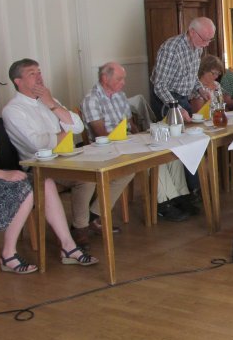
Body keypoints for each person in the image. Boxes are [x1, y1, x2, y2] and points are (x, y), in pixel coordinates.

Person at [0, 73, 98, 272]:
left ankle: (68, 246)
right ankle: (8, 254)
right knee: (27, 189)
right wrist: (4, 175)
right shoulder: (12, 109)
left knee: (42, 181)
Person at [3, 58, 127, 245]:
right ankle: (80, 227)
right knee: (85, 177)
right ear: (17, 81)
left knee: (124, 167)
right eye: (32, 74)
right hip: (41, 164)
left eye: (39, 72)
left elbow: (77, 127)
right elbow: (37, 144)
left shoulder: (49, 101)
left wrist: (52, 104)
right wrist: (63, 133)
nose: (39, 77)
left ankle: (94, 216)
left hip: (68, 155)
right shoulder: (13, 110)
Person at [82, 62, 195, 223]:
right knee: (153, 158)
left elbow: (130, 124)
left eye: (124, 79)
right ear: (104, 79)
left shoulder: (119, 95)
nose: (124, 82)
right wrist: (135, 141)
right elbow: (101, 134)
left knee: (169, 151)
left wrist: (141, 137)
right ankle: (163, 203)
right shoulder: (91, 100)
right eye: (120, 79)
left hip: (128, 141)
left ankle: (180, 196)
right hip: (109, 147)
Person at [150, 16, 215, 121]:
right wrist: (177, 109)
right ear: (192, 32)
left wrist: (200, 89)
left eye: (210, 40)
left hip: (183, 97)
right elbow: (160, 86)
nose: (206, 44)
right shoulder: (171, 49)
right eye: (204, 39)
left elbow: (191, 75)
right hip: (165, 98)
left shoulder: (198, 47)